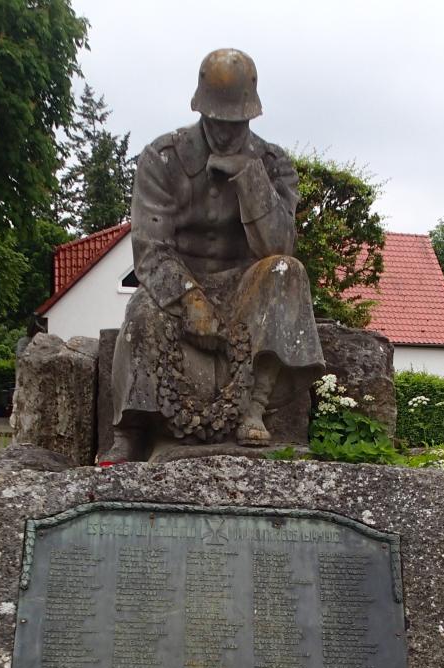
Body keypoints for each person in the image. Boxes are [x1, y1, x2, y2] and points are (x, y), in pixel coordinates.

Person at [105, 48, 324, 462]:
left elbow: (278, 247)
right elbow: (150, 248)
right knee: (139, 314)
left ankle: (253, 408)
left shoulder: (273, 163)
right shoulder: (162, 158)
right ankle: (132, 429)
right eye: (217, 120)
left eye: (236, 122)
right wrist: (190, 298)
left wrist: (249, 176)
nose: (226, 131)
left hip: (243, 287)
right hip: (177, 281)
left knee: (287, 270)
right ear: (201, 110)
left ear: (250, 115)